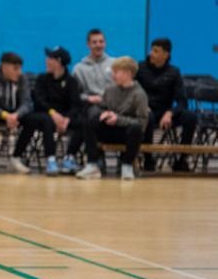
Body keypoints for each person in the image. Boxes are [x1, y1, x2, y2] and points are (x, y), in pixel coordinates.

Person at [77, 56, 149, 181]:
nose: (112, 75)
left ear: (127, 73)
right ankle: (92, 164)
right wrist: (102, 114)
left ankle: (127, 165)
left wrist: (118, 119)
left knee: (136, 129)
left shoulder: (140, 94)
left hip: (126, 134)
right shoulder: (110, 89)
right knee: (89, 121)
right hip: (109, 129)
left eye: (116, 72)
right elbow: (101, 106)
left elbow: (142, 123)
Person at [136, 37, 196, 172]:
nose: (151, 53)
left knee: (191, 117)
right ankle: (148, 158)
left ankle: (182, 159)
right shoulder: (140, 68)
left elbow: (182, 101)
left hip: (164, 112)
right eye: (152, 50)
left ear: (166, 54)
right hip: (145, 109)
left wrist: (170, 113)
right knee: (148, 116)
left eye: (156, 51)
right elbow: (131, 90)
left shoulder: (174, 72)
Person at [30, 46, 83, 175]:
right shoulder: (42, 79)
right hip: (46, 114)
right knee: (47, 121)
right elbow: (38, 100)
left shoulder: (71, 81)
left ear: (58, 61)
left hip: (64, 117)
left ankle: (69, 157)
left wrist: (67, 119)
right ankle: (51, 159)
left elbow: (76, 105)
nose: (46, 61)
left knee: (83, 123)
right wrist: (52, 113)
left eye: (50, 58)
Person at [0, 52, 34, 174]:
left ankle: (16, 157)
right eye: (16, 69)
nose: (18, 72)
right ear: (5, 66)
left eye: (20, 68)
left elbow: (27, 102)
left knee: (32, 119)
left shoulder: (22, 78)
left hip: (15, 113)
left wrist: (16, 115)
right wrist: (5, 115)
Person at [73, 28, 114, 107]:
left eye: (101, 42)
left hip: (114, 105)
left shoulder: (115, 64)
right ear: (88, 45)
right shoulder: (79, 69)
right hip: (91, 107)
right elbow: (74, 94)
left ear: (105, 43)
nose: (98, 45)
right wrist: (88, 98)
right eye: (94, 42)